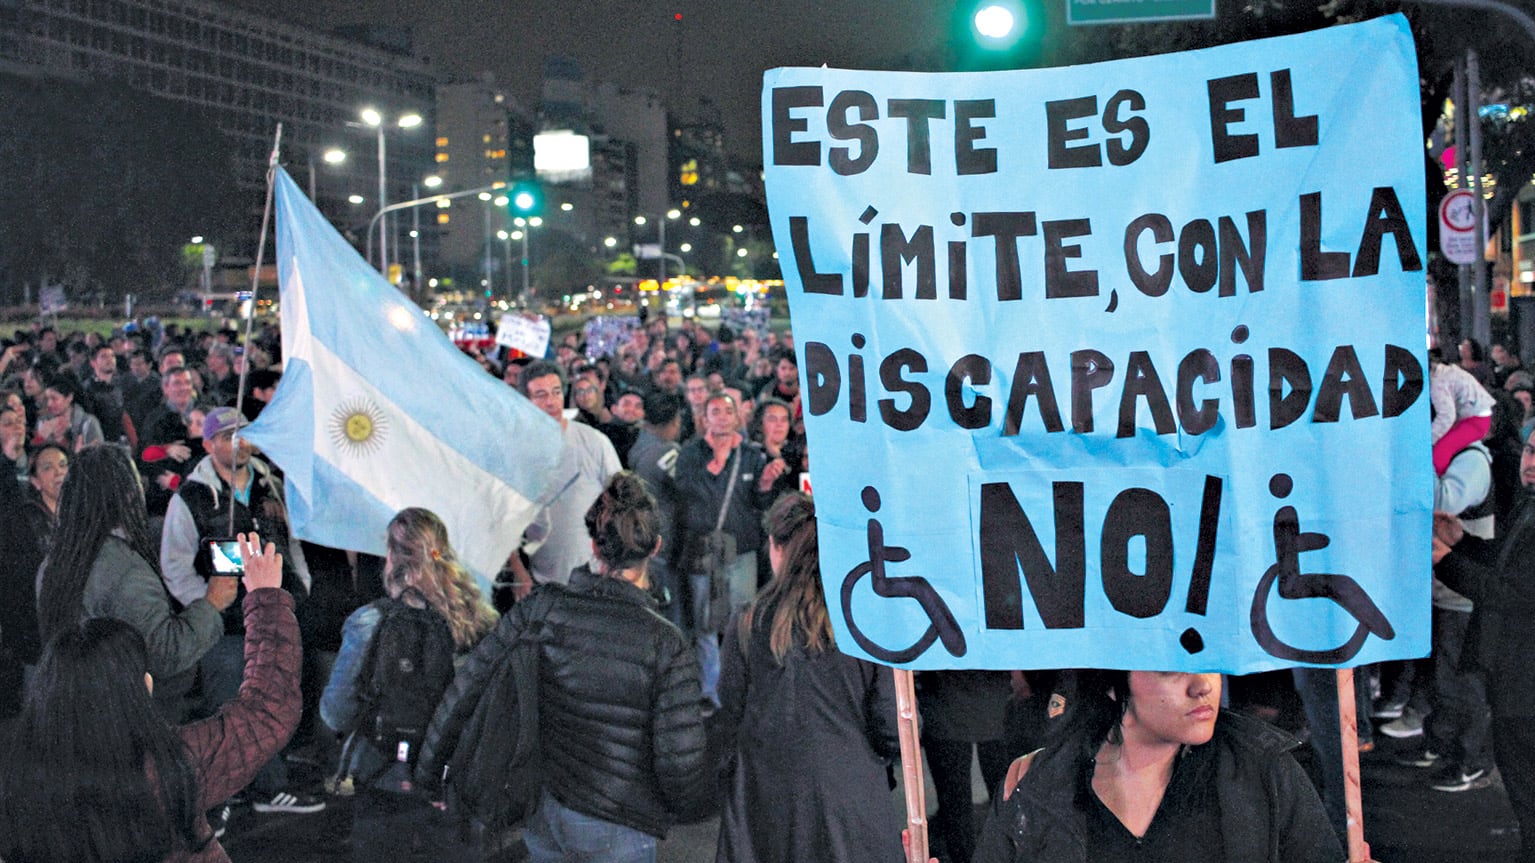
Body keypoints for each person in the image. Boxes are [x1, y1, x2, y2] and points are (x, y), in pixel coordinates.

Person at [421, 472, 711, 863]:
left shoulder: (540, 609)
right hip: (621, 820)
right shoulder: (666, 643)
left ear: (594, 544)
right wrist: (675, 808)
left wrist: (430, 772)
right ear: (656, 546)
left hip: (544, 806)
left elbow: (468, 687)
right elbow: (680, 761)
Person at [0, 532, 301, 863]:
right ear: (143, 686)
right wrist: (265, 599)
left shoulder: (18, 774)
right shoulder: (174, 764)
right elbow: (267, 711)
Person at [972, 670, 1340, 863]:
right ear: (1113, 682)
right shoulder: (1040, 784)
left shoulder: (1266, 771)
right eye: (1170, 670)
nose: (1203, 686)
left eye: (1209, 661)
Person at [714, 492, 903, 863]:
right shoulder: (864, 619)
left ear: (775, 547)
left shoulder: (749, 621)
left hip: (767, 809)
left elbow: (727, 721)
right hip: (851, 806)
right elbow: (893, 728)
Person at [321, 508, 497, 862]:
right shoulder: (481, 621)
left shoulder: (369, 622)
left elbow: (335, 712)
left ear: (391, 556)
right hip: (455, 781)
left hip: (384, 778)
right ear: (443, 551)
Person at [36, 444, 228, 718]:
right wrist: (212, 604)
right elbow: (165, 653)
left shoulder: (54, 561)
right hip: (133, 716)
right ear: (128, 494)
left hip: (75, 711)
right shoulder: (124, 570)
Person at [1434, 433, 1535, 863]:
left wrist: (1445, 561)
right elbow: (1511, 564)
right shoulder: (1528, 503)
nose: (1531, 462)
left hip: (1526, 683)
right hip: (1516, 676)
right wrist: (1462, 542)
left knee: (1527, 785)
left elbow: (1514, 593)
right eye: (1531, 450)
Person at [673, 390, 785, 703]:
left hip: (741, 550)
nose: (722, 418)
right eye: (715, 412)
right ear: (704, 419)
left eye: (728, 412)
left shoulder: (751, 455)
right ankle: (711, 691)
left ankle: (740, 687)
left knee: (742, 620)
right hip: (703, 550)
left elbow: (760, 503)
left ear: (738, 417)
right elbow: (684, 494)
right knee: (706, 623)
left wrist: (765, 485)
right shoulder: (690, 454)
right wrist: (716, 464)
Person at [504, 360, 621, 598]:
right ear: (526, 401)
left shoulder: (594, 442)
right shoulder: (515, 452)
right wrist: (518, 571)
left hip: (596, 577)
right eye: (541, 395)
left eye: (556, 392)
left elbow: (621, 501)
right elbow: (504, 518)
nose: (551, 401)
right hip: (542, 580)